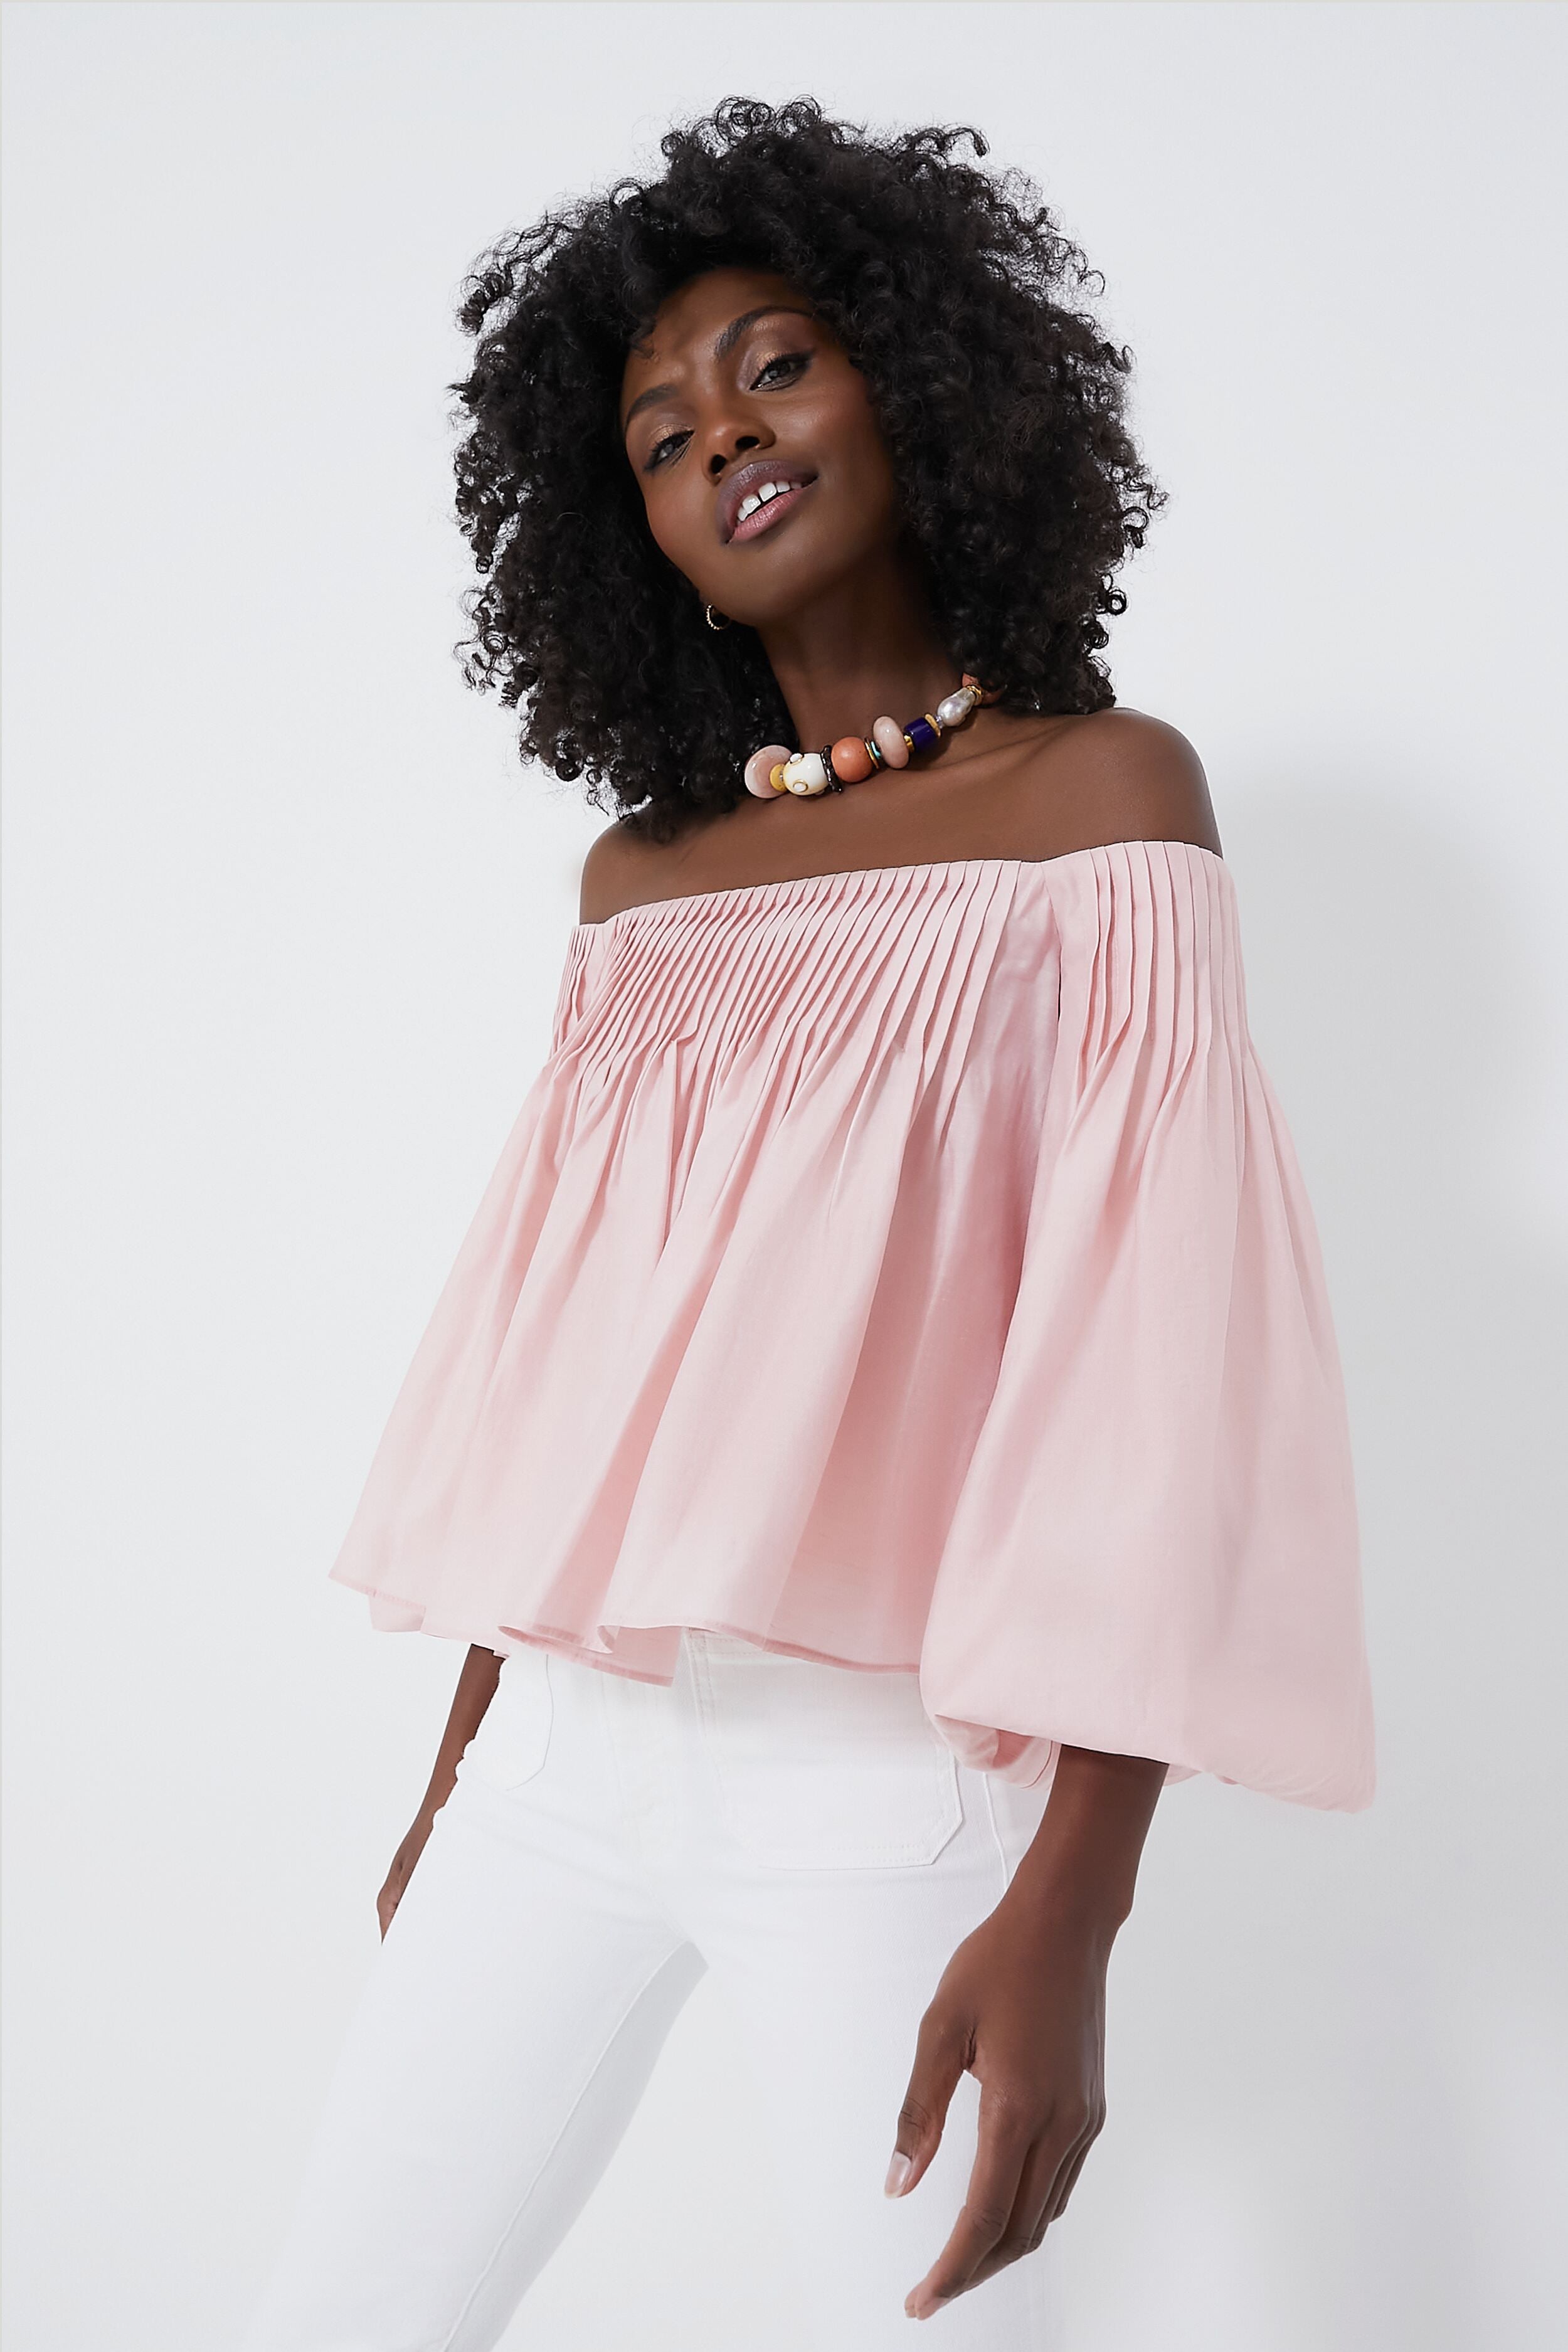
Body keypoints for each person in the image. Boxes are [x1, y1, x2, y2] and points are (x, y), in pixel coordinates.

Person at [243, 97, 1375, 2351]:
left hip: (881, 1788)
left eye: (773, 367)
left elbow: (1154, 1376)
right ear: (636, 537)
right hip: (559, 1762)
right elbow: (574, 1376)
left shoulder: (1100, 799)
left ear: (918, 388)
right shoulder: (639, 885)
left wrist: (1077, 1903)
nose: (724, 440)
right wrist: (462, 1779)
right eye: (661, 436)